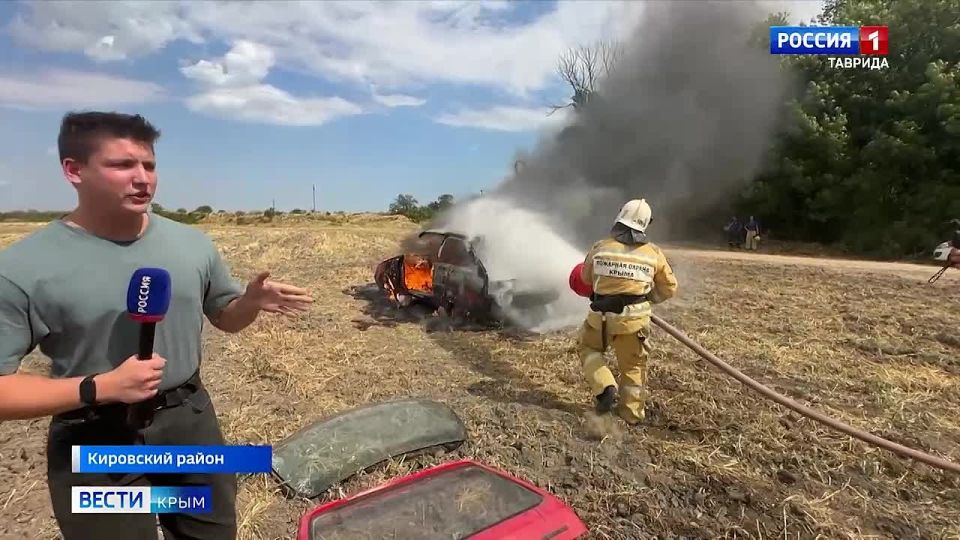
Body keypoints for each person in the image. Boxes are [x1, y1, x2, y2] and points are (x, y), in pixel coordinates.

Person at [0, 111, 313, 540]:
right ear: (74, 170)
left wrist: (250, 303)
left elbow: (226, 318)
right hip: (97, 443)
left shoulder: (191, 243)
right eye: (122, 165)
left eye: (149, 165)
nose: (142, 178)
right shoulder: (22, 268)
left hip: (190, 429)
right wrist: (100, 387)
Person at [576, 198, 678, 425]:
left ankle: (604, 386)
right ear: (645, 224)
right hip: (634, 322)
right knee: (633, 367)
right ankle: (630, 417)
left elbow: (584, 278)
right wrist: (648, 299)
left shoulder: (599, 247)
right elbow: (669, 288)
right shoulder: (653, 253)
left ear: (620, 216)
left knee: (587, 348)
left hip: (600, 318)